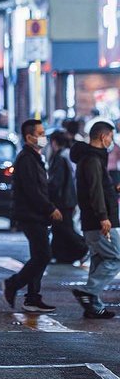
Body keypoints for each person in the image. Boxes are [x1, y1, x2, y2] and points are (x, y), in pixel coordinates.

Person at [2, 118, 61, 314]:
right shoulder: (26, 159)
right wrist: (49, 208)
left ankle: (32, 297)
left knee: (39, 256)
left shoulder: (34, 157)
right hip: (31, 215)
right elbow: (32, 190)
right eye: (41, 133)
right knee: (43, 255)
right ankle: (13, 284)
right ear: (29, 137)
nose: (44, 137)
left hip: (36, 215)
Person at [71, 120, 120, 320]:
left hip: (94, 220)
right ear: (103, 136)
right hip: (98, 220)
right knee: (115, 257)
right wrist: (103, 217)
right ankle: (89, 292)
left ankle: (94, 306)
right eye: (110, 136)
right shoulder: (92, 159)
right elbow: (94, 190)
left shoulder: (94, 158)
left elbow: (101, 187)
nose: (112, 141)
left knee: (99, 259)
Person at [47, 129, 87, 265]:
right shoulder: (66, 155)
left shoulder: (60, 157)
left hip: (63, 201)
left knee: (65, 229)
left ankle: (83, 247)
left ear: (53, 142)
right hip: (68, 199)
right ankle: (61, 255)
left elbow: (56, 182)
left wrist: (49, 195)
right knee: (59, 229)